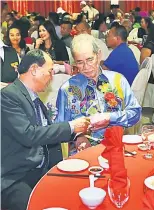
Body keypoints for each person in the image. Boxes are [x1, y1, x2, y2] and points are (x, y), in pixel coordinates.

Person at [1, 49, 91, 210]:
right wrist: (71, 126)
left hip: (40, 168)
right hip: (16, 176)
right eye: (50, 71)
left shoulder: (32, 97)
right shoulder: (8, 96)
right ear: (34, 70)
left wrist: (76, 135)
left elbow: (47, 131)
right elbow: (29, 135)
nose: (52, 77)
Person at [56, 34, 141, 149]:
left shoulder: (118, 80)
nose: (86, 67)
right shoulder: (67, 89)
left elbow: (135, 113)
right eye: (80, 62)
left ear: (99, 55)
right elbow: (60, 127)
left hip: (117, 146)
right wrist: (77, 136)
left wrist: (110, 118)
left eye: (90, 59)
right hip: (83, 152)